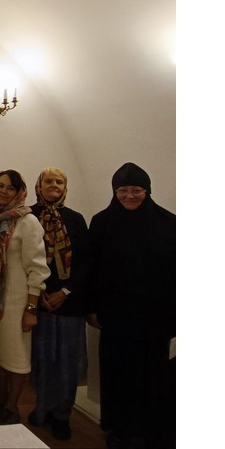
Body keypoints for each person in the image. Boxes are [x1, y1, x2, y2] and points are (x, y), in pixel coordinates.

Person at [87, 163, 175, 449]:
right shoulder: (102, 222)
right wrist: (92, 307)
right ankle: (120, 429)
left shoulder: (169, 223)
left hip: (155, 318)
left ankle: (151, 432)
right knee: (118, 373)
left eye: (136, 190)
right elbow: (92, 268)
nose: (129, 196)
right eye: (122, 190)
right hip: (116, 317)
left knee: (153, 375)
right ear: (114, 192)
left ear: (147, 190)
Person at [0, 169, 49, 425]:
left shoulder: (27, 221)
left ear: (20, 192)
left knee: (16, 355)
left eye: (10, 187)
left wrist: (31, 308)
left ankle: (12, 407)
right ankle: (2, 400)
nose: (3, 191)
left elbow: (37, 267)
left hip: (17, 301)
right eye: (0, 185)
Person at [28, 167, 90, 441]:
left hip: (69, 304)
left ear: (65, 187)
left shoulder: (76, 219)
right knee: (42, 360)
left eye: (59, 181)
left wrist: (64, 291)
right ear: (39, 186)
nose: (54, 185)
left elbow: (86, 262)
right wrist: (37, 291)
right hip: (38, 302)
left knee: (67, 363)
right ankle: (42, 407)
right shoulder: (28, 216)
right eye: (49, 181)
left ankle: (62, 415)